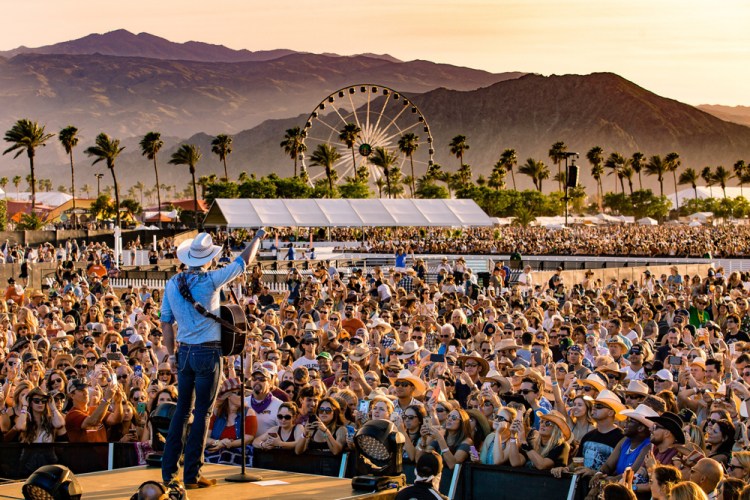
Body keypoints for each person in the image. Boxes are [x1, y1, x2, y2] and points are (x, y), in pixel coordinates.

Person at [160, 230, 264, 490]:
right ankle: (192, 476)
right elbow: (244, 261)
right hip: (207, 353)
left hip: (183, 353)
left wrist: (171, 354)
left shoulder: (173, 282)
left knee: (181, 412)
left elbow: (165, 321)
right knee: (202, 413)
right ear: (208, 258)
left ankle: (168, 473)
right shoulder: (210, 280)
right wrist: (258, 237)